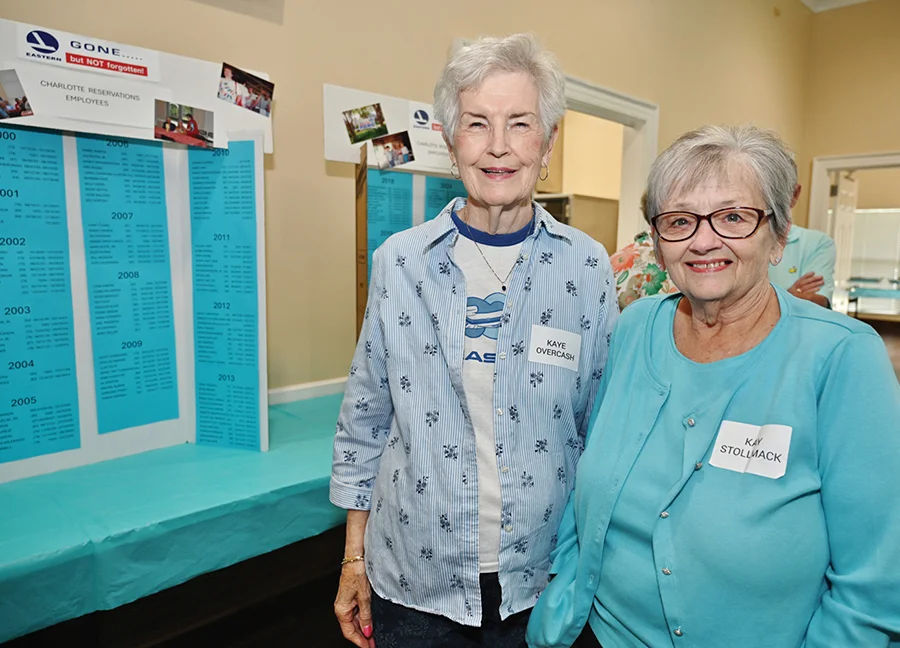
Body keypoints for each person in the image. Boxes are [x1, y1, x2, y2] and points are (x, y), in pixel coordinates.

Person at [527, 124, 900, 648]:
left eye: (733, 217)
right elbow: (584, 479)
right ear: (657, 243)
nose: (704, 240)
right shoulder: (634, 330)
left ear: (779, 234)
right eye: (679, 220)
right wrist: (564, 593)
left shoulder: (841, 357)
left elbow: (874, 588)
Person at [331, 33, 618, 648]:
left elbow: (600, 434)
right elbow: (365, 422)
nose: (498, 146)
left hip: (542, 582)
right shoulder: (401, 262)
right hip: (414, 585)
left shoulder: (586, 268)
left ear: (548, 142)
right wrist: (352, 560)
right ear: (450, 137)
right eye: (477, 123)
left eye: (520, 124)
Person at [767, 184, 836, 307]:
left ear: (795, 193)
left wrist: (777, 300)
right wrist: (789, 296)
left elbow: (818, 304)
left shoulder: (818, 243)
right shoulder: (731, 241)